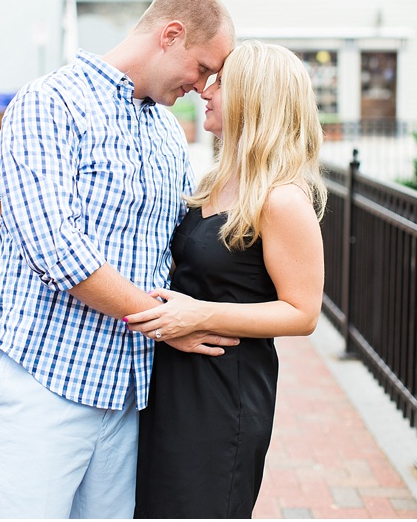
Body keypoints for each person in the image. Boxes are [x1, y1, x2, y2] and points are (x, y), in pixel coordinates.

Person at [0, 0, 238, 519]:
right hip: (45, 379)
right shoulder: (50, 103)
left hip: (128, 391)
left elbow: (178, 247)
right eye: (202, 68)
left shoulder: (167, 132)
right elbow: (56, 249)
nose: (203, 86)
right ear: (171, 35)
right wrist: (170, 324)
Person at [128, 41, 326, 518]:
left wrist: (200, 315)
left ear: (253, 98)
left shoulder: (282, 200)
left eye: (220, 83)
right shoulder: (215, 182)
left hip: (222, 396)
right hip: (174, 385)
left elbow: (303, 313)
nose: (205, 91)